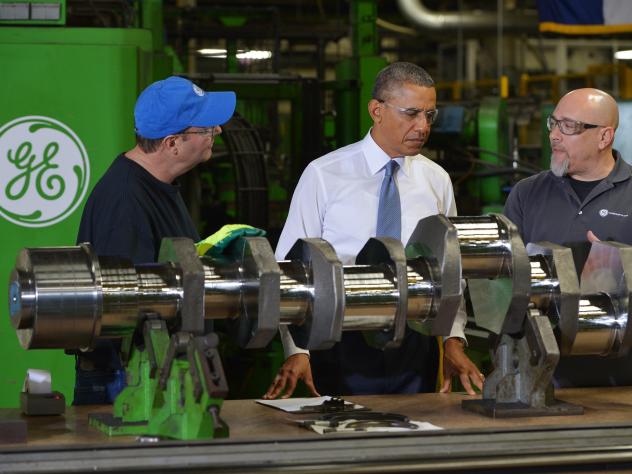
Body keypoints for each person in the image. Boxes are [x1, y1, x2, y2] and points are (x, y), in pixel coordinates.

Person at [264, 62, 483, 399]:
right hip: (339, 338)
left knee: (416, 434)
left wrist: (452, 339)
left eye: (430, 116)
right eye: (411, 114)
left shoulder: (435, 180)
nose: (423, 127)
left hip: (415, 341)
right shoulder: (324, 175)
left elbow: (451, 272)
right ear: (376, 110)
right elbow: (291, 271)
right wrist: (298, 350)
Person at [74, 76, 236, 404]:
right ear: (172, 142)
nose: (217, 132)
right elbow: (129, 306)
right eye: (205, 128)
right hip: (127, 378)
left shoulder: (157, 184)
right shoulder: (126, 199)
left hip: (155, 369)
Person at [504, 87, 632, 386]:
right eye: (554, 123)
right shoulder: (527, 193)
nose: (554, 136)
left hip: (620, 375)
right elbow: (504, 282)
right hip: (540, 373)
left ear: (604, 137)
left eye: (569, 127)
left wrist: (617, 266)